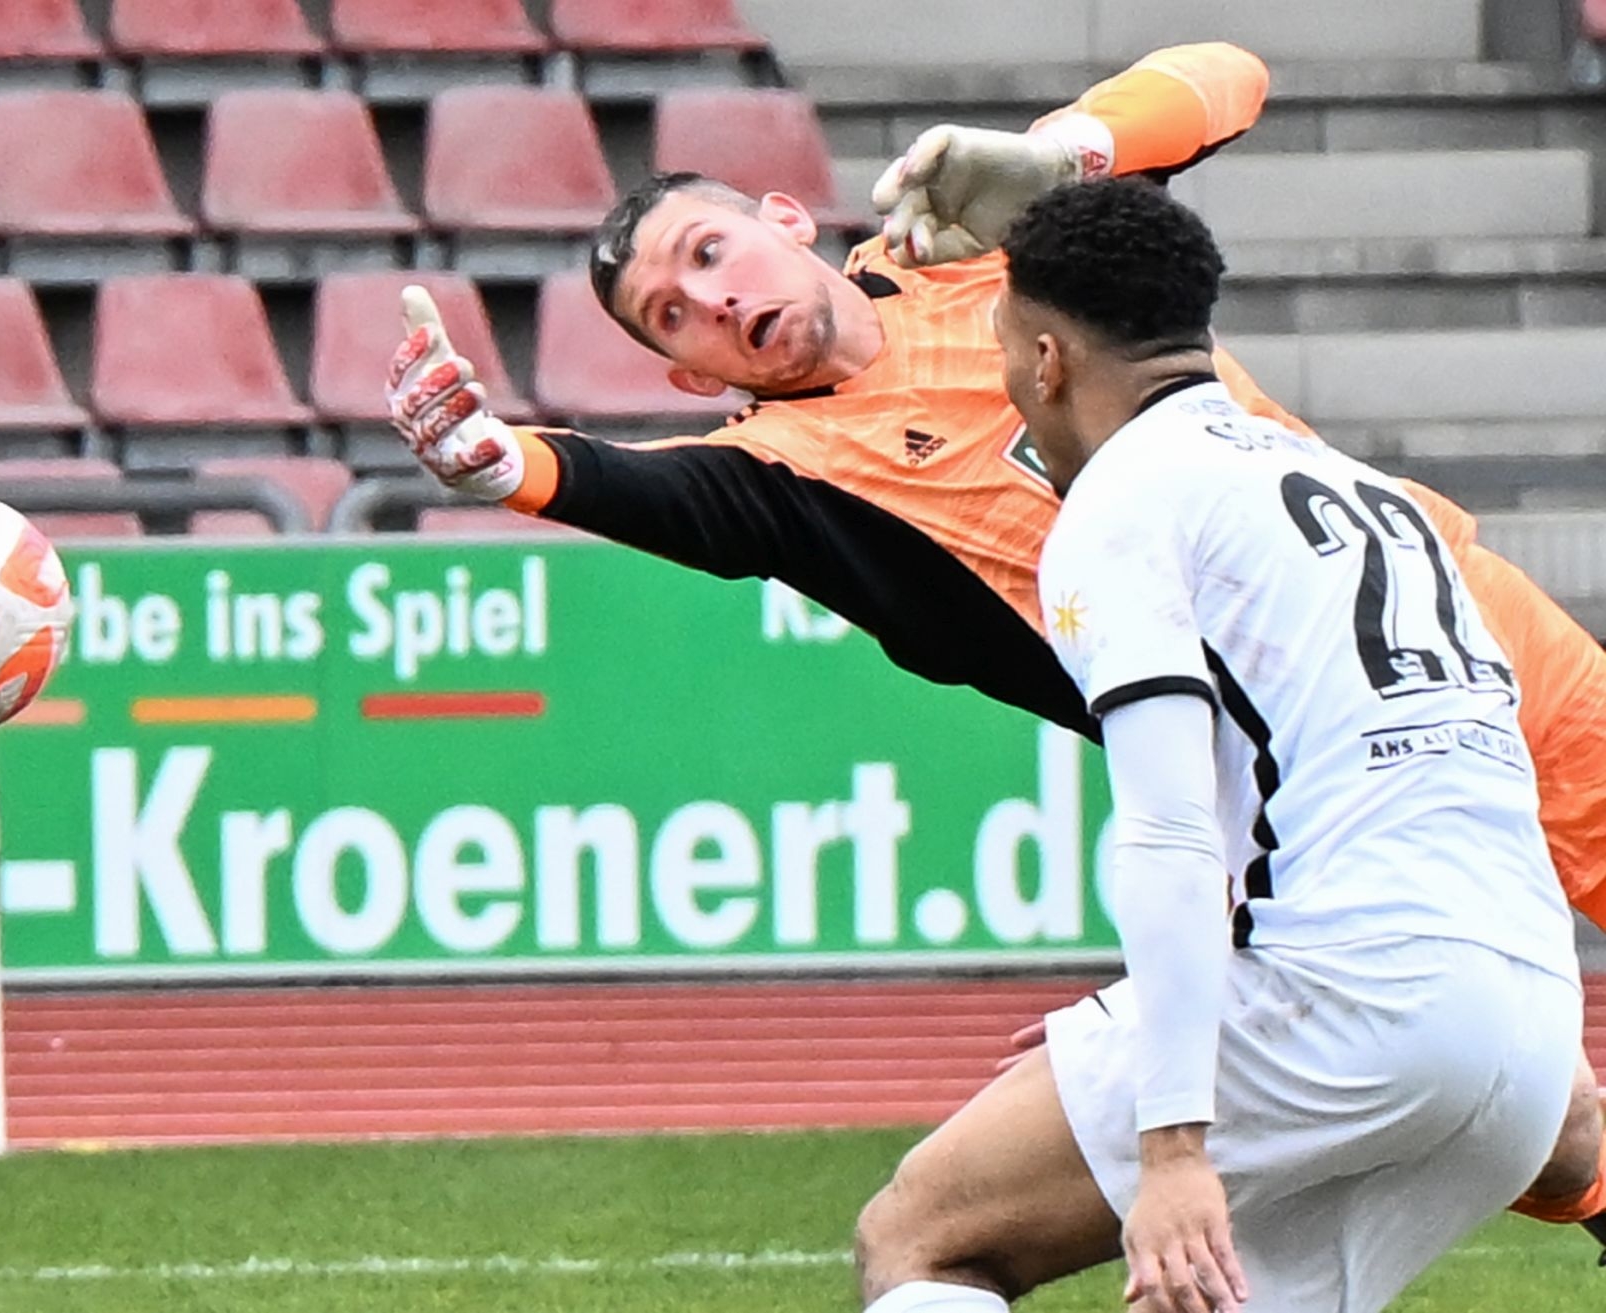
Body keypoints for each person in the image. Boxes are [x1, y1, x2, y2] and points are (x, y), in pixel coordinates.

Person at [383, 42, 1606, 1239]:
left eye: (709, 253)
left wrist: (1066, 153)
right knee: (1547, 1124)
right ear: (691, 380)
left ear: (784, 218)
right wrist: (498, 462)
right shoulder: (779, 476)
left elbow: (1231, 74)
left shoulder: (972, 241)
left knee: (1518, 1094)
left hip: (1461, 626)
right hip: (1304, 774)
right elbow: (619, 483)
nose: (713, 300)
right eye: (673, 316)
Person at [863, 173, 1584, 1313]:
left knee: (923, 1232)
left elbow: (1168, 831)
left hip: (1349, 1003)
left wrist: (1172, 1142)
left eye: (1005, 353)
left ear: (1046, 362)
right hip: (1533, 1034)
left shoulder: (1124, 501)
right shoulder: (1367, 491)